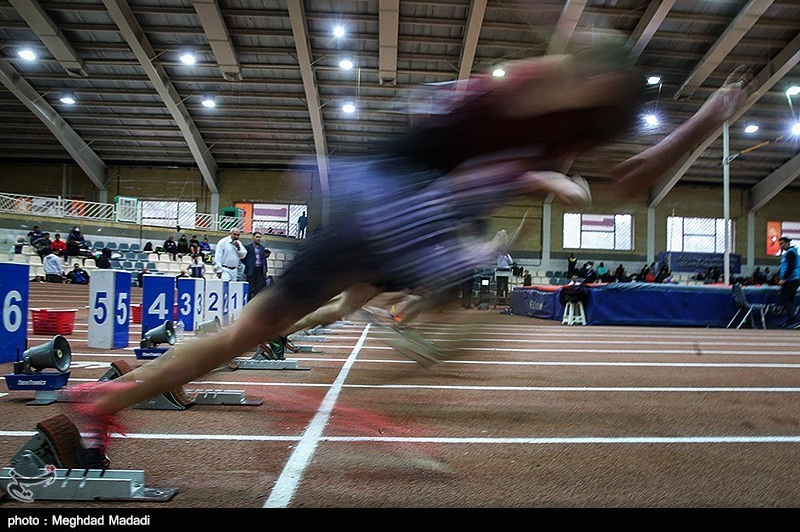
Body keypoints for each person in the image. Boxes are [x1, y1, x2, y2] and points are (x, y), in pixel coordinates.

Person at [62, 49, 753, 466]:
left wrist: (704, 120)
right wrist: (537, 170)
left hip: (376, 211)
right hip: (393, 200)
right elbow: (552, 113)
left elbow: (630, 179)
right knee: (466, 314)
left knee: (247, 332)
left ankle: (107, 400)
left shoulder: (560, 133)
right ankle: (344, 404)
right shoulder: (524, 94)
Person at [777, 236, 800, 328]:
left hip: (792, 279)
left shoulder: (791, 253)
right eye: (780, 244)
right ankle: (792, 320)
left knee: (785, 299)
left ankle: (795, 319)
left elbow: (791, 266)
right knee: (790, 300)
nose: (781, 245)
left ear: (787, 243)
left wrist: (784, 279)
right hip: (791, 279)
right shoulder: (788, 253)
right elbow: (784, 267)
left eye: (782, 243)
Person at [243, 232, 271, 300]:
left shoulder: (262, 248)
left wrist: (265, 270)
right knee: (250, 288)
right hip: (251, 270)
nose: (258, 239)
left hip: (260, 269)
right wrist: (248, 264)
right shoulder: (248, 247)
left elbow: (264, 259)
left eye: (259, 237)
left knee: (258, 288)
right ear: (253, 237)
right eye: (257, 237)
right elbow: (243, 258)